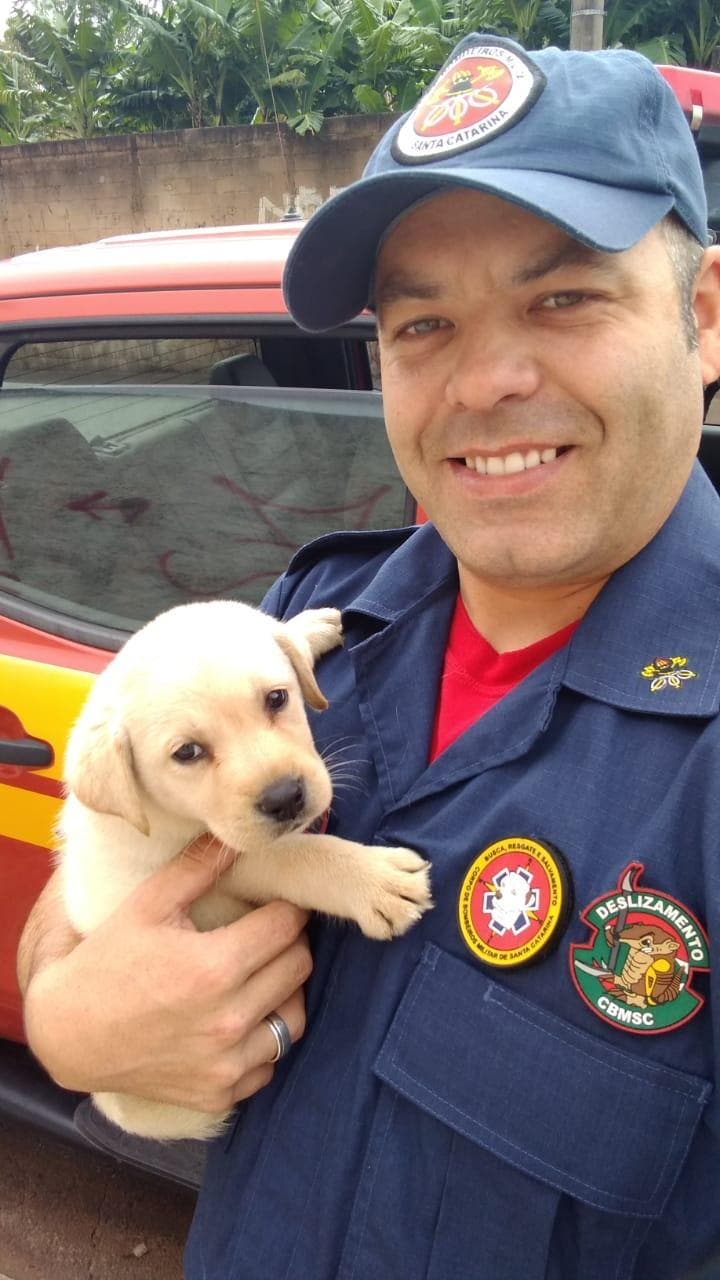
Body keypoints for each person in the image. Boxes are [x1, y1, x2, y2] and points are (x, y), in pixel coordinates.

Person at [17, 33, 720, 1280]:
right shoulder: (304, 615)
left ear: (704, 317)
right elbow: (91, 887)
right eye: (422, 325)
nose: (488, 380)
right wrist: (70, 1019)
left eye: (563, 298)